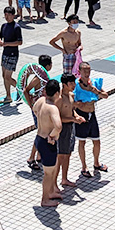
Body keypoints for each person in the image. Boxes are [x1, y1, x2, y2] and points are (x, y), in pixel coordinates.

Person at [74, 62, 109, 177]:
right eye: (84, 70)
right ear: (79, 71)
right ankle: (84, 166)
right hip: (81, 114)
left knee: (96, 140)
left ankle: (96, 163)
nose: (87, 72)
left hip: (92, 113)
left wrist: (95, 91)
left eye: (88, 70)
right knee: (82, 141)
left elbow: (106, 95)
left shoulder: (94, 83)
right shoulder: (76, 85)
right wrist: (78, 106)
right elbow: (70, 101)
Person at [33, 79, 63, 207]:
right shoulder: (52, 108)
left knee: (52, 168)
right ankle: (45, 199)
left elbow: (34, 110)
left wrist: (42, 122)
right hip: (47, 142)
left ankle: (50, 192)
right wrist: (52, 135)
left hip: (39, 138)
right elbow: (59, 126)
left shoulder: (41, 101)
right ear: (57, 93)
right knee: (48, 173)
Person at [23, 54, 54, 170]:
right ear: (48, 65)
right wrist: (31, 105)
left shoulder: (42, 76)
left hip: (42, 107)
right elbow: (26, 90)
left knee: (43, 132)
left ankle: (38, 156)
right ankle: (31, 157)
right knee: (41, 133)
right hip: (38, 108)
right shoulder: (38, 78)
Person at [56, 73, 85, 190]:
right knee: (60, 156)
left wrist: (77, 116)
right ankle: (54, 182)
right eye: (71, 83)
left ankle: (64, 178)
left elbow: (72, 111)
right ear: (64, 85)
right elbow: (57, 117)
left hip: (71, 128)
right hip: (62, 129)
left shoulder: (71, 96)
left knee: (68, 154)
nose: (73, 85)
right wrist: (73, 119)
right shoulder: (59, 99)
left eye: (74, 83)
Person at [0, 6, 22, 104]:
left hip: (13, 54)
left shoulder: (16, 27)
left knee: (8, 77)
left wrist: (7, 44)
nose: (7, 17)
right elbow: (0, 36)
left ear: (13, 15)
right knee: (4, 76)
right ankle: (8, 96)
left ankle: (20, 89)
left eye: (8, 15)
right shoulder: (4, 26)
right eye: (5, 15)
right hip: (5, 53)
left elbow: (20, 42)